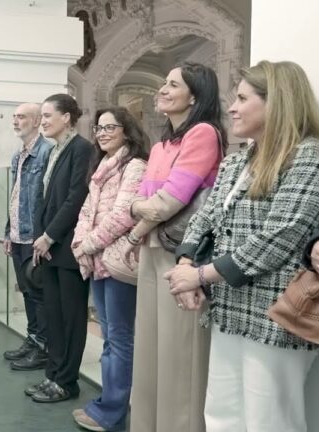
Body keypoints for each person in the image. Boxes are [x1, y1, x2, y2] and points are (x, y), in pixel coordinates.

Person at [168, 60, 319, 432]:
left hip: (275, 314)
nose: (232, 108)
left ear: (277, 102)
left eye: (243, 99)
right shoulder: (236, 162)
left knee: (270, 422)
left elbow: (279, 238)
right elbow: (204, 218)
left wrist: (200, 276)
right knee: (221, 415)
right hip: (229, 308)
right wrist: (185, 264)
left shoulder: (310, 157)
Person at [127, 62, 226, 432]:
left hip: (181, 253)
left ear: (195, 96)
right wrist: (139, 226)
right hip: (153, 246)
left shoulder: (203, 134)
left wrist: (137, 220)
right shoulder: (161, 145)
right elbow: (146, 202)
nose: (163, 90)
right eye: (164, 83)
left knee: (179, 352)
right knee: (150, 347)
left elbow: (168, 202)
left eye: (173, 85)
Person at [70, 107, 148, 430]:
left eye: (109, 127)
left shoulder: (135, 166)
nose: (102, 134)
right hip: (98, 263)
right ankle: (106, 404)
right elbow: (87, 211)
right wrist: (79, 242)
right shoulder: (101, 166)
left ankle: (112, 412)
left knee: (119, 339)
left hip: (118, 263)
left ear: (126, 130)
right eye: (99, 128)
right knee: (109, 338)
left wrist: (87, 244)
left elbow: (123, 215)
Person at [25, 93, 94, 403]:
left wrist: (49, 235)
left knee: (71, 319)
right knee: (54, 317)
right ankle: (52, 375)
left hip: (68, 248)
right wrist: (40, 238)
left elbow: (76, 197)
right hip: (50, 247)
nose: (42, 121)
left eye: (47, 115)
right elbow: (44, 198)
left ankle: (67, 382)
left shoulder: (82, 149)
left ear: (67, 117)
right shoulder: (55, 150)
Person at [2, 102, 53, 371]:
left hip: (35, 237)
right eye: (14, 116)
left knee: (39, 293)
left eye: (21, 117)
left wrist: (43, 235)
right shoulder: (18, 155)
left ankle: (43, 347)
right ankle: (33, 340)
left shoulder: (47, 152)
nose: (15, 121)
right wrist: (8, 231)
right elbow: (15, 196)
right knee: (27, 292)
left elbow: (45, 199)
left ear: (36, 121)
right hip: (18, 235)